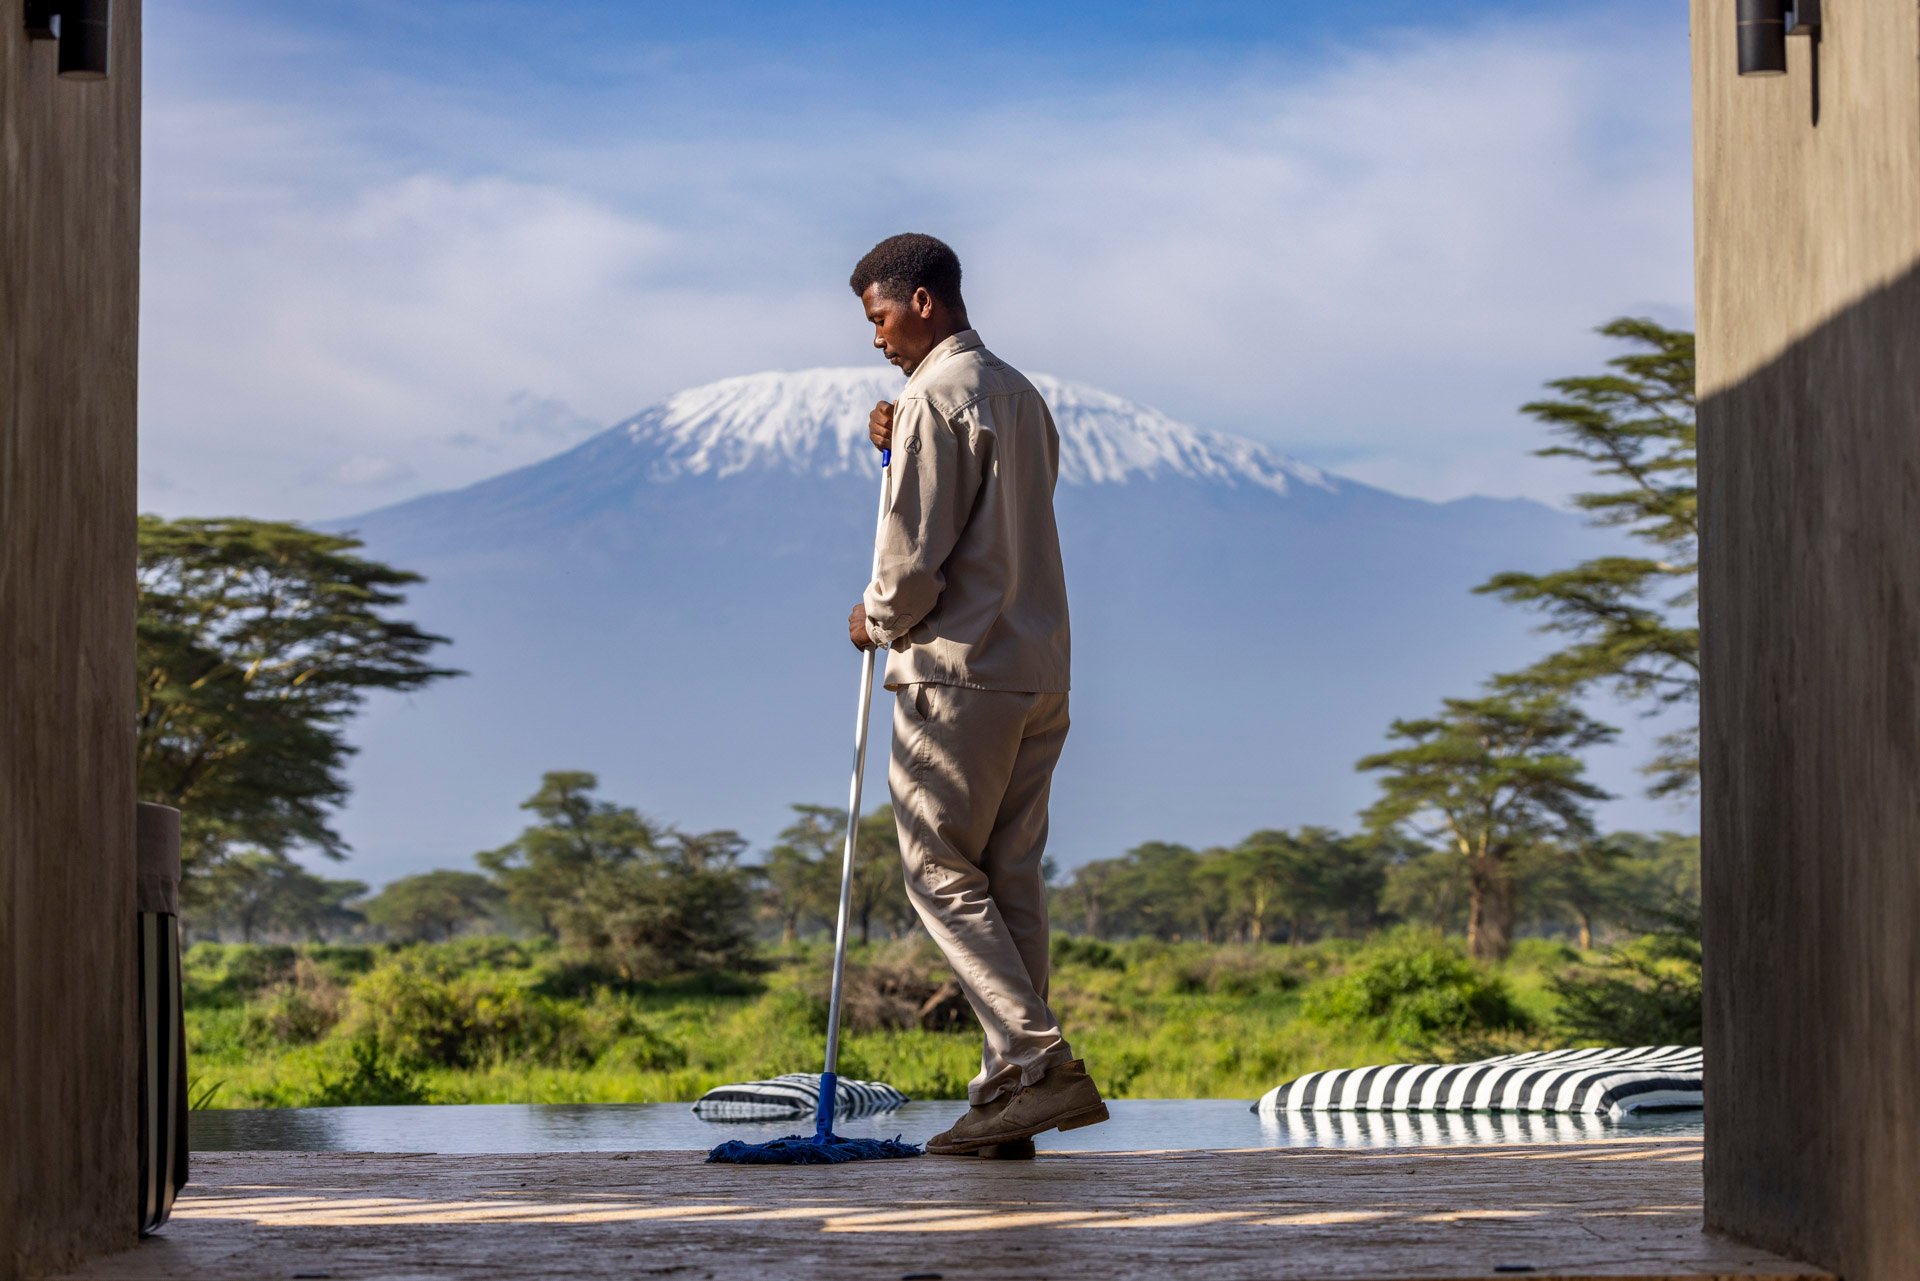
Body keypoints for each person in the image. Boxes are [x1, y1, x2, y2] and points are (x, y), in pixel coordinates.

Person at [845, 233, 1106, 1157]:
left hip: (957, 672)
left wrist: (875, 618)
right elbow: (991, 506)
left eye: (878, 317)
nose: (874, 338)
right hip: (1037, 668)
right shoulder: (1020, 394)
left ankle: (1037, 1062)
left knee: (939, 872)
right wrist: (900, 430)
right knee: (1010, 880)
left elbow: (913, 559)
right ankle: (1008, 1100)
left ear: (921, 302)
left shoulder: (933, 396)